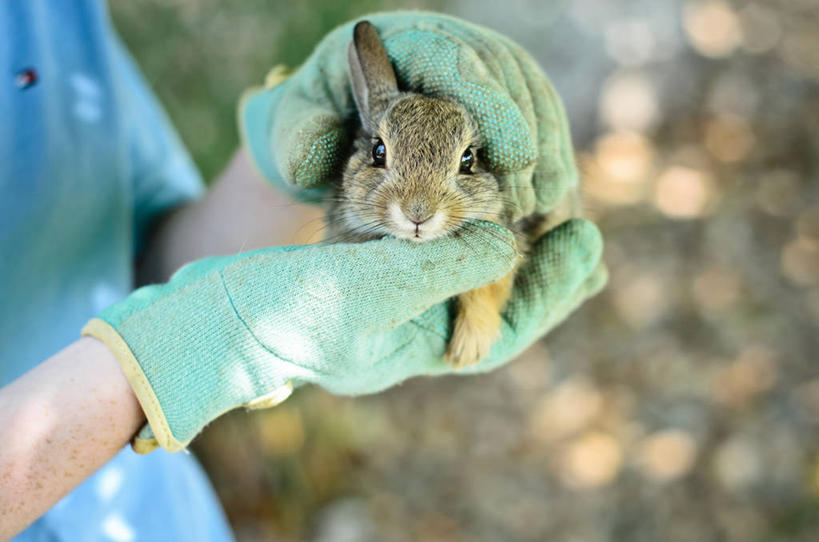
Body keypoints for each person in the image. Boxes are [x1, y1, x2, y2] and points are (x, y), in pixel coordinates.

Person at [0, 4, 606, 540]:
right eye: (380, 156)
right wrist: (168, 361)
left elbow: (140, 255)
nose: (417, 208)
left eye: (465, 164)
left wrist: (271, 167)